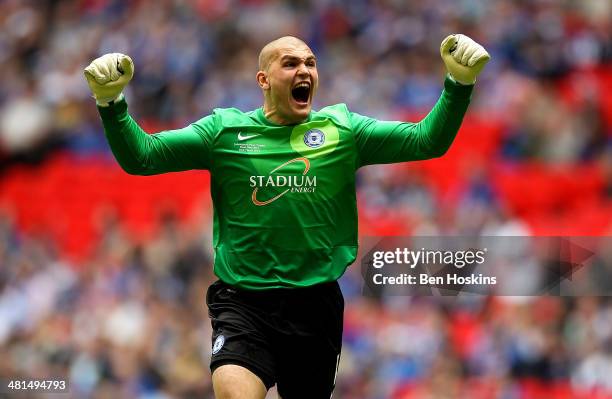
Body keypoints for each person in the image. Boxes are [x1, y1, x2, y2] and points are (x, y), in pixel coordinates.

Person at [84, 34, 490, 399]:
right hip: (244, 301)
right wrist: (111, 103)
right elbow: (143, 157)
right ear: (264, 80)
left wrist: (458, 84)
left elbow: (427, 140)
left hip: (316, 307)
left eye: (310, 63)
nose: (304, 71)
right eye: (291, 63)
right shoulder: (224, 133)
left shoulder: (343, 130)